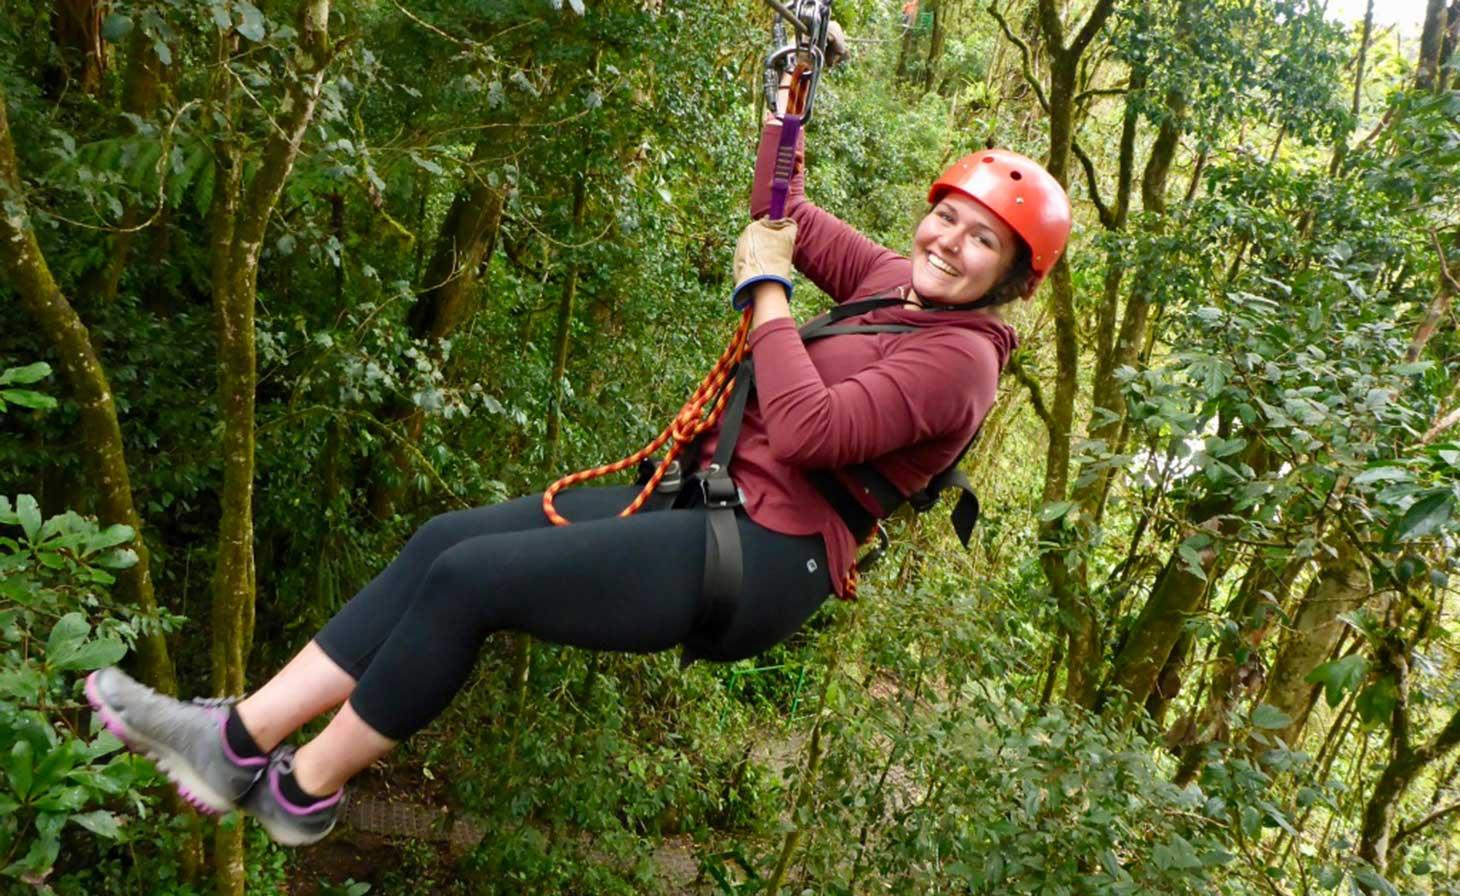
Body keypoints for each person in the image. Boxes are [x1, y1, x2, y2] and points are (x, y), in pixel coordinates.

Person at [86, 107, 1071, 847]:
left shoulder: (960, 361)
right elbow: (785, 211)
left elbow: (811, 429)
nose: (947, 242)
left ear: (1010, 275)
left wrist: (765, 289)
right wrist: (786, 105)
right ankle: (239, 741)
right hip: (713, 505)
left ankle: (304, 789)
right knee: (445, 540)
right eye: (945, 217)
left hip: (766, 557)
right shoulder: (892, 282)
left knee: (471, 585)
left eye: (980, 239)